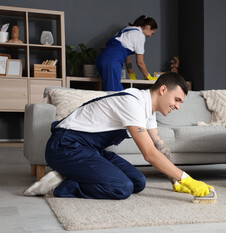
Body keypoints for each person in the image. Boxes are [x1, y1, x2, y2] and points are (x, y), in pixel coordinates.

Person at [24, 72, 213, 199]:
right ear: (163, 90)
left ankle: (72, 174)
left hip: (89, 149)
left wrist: (176, 181)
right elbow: (149, 154)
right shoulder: (133, 103)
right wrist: (186, 178)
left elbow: (158, 146)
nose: (178, 106)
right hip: (65, 146)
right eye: (177, 99)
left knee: (138, 182)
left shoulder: (148, 111)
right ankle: (58, 186)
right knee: (121, 187)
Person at [96, 15, 158, 91]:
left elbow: (127, 58)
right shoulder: (140, 36)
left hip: (102, 58)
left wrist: (131, 75)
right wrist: (148, 76)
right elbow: (140, 63)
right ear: (148, 27)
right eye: (152, 33)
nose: (150, 36)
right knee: (114, 95)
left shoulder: (127, 29)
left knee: (108, 92)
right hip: (112, 62)